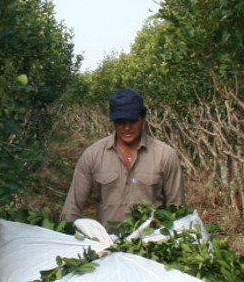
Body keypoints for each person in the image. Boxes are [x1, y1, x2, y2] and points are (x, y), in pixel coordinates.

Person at [61, 88, 185, 228]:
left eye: (132, 121)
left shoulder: (166, 156)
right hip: (106, 244)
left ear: (143, 117)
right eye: (120, 122)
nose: (126, 128)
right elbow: (72, 206)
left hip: (151, 243)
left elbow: (177, 209)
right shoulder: (92, 155)